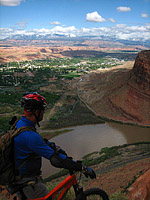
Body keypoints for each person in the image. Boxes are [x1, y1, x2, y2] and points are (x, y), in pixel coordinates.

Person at [13, 92, 96, 199]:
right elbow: (57, 161)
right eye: (43, 110)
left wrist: (53, 146)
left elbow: (39, 142)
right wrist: (81, 167)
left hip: (19, 177)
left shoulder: (21, 124)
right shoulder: (29, 136)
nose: (44, 113)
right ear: (36, 111)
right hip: (27, 182)